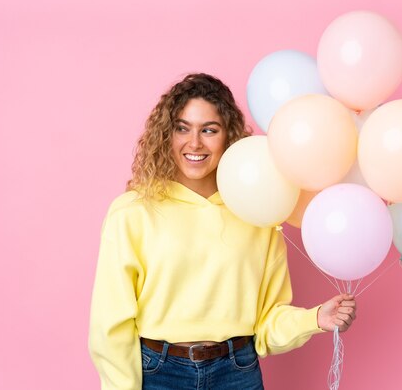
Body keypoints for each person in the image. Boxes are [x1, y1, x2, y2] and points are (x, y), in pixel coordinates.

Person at [88, 73, 357, 390]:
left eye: (209, 130)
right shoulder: (134, 211)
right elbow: (111, 324)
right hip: (159, 374)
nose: (195, 143)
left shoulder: (256, 210)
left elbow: (267, 322)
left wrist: (315, 319)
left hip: (236, 372)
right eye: (182, 128)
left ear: (228, 136)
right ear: (166, 134)